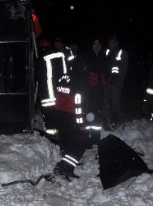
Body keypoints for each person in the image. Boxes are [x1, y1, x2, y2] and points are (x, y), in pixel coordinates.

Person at [52, 50, 90, 181]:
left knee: (67, 141)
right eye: (85, 66)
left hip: (59, 114)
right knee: (81, 141)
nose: (87, 68)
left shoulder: (64, 76)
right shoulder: (80, 80)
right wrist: (81, 124)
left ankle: (66, 167)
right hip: (71, 115)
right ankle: (64, 167)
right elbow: (78, 103)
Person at [35, 36, 67, 137]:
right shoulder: (60, 55)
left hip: (47, 94)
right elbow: (65, 72)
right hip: (60, 92)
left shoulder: (41, 59)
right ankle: (63, 134)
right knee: (61, 115)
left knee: (49, 117)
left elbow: (36, 75)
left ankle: (52, 137)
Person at [81, 37, 108, 143]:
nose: (97, 47)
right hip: (88, 90)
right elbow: (82, 72)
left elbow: (107, 71)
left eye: (99, 45)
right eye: (95, 44)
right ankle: (86, 136)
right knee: (87, 112)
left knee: (97, 113)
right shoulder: (86, 56)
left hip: (99, 89)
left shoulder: (103, 56)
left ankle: (95, 138)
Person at [102, 33, 129, 130]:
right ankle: (105, 120)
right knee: (105, 100)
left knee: (115, 100)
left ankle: (114, 120)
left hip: (116, 81)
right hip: (106, 80)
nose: (110, 43)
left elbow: (124, 68)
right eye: (109, 41)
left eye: (112, 41)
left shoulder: (122, 52)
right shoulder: (106, 51)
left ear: (117, 42)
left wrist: (119, 81)